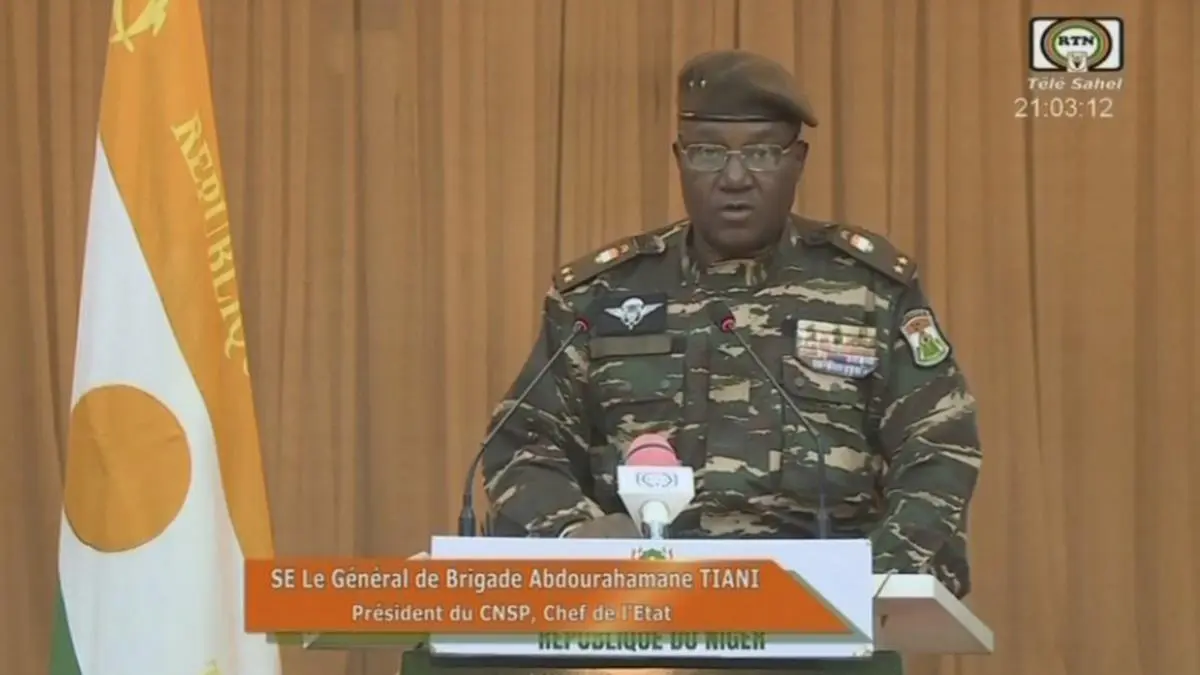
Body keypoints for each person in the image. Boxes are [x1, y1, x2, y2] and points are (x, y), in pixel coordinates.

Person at [403, 50, 982, 675]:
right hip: (628, 615)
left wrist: (873, 573)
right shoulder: (602, 295)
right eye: (708, 152)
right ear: (679, 159)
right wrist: (577, 535)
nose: (734, 177)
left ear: (798, 161)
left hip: (814, 619)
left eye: (761, 153)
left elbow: (940, 445)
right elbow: (524, 443)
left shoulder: (868, 290)